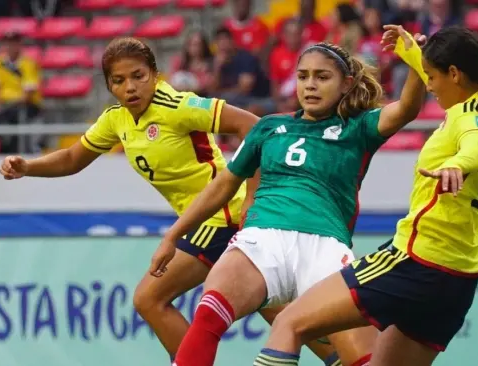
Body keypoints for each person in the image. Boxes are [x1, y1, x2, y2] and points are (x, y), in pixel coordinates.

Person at [150, 25, 427, 366]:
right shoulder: (268, 127)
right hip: (262, 239)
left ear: (347, 84)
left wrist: (415, 62)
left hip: (326, 247)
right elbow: (223, 185)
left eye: (322, 77)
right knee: (209, 311)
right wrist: (173, 235)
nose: (310, 84)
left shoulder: (358, 128)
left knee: (362, 358)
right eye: (303, 76)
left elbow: (407, 109)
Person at [258, 26, 478, 366]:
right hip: (457, 278)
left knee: (289, 322)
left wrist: (458, 165)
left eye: (431, 77)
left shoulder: (469, 120)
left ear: (455, 74)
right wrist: (410, 53)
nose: (428, 86)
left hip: (415, 261)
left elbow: (475, 145)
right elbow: (468, 113)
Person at [0, 37, 260, 362]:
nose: (130, 87)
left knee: (150, 298)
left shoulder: (177, 106)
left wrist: (251, 195)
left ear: (155, 73)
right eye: (118, 81)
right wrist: (28, 167)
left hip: (222, 215)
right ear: (109, 85)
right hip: (202, 219)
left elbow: (253, 126)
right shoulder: (116, 119)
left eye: (139, 76)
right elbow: (71, 159)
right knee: (286, 317)